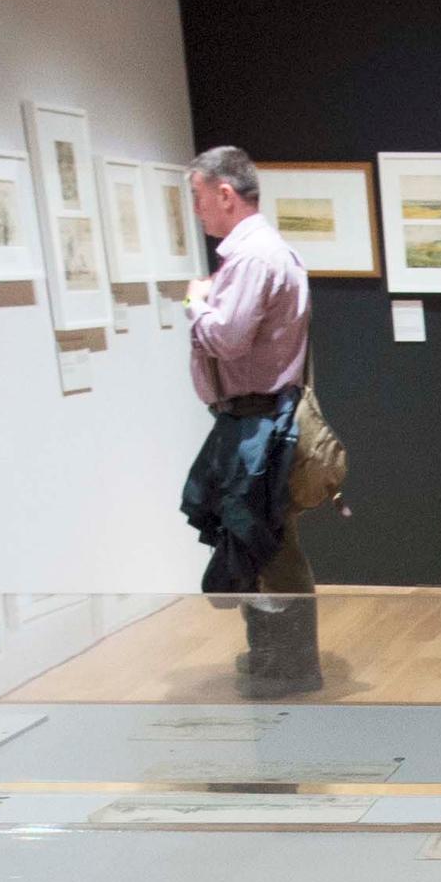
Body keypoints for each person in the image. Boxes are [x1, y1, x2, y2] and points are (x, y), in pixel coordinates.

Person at [179, 143, 321, 695]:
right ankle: (270, 655)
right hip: (255, 420)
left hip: (259, 424)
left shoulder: (254, 257)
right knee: (255, 537)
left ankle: (292, 665)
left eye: (198, 197)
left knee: (271, 543)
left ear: (224, 193)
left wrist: (196, 305)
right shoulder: (260, 253)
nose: (198, 211)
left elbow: (227, 339)